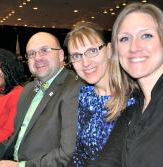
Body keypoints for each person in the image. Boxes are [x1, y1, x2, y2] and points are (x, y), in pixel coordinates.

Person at [89, 2, 163, 167]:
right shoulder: (131, 111)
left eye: (146, 35)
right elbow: (107, 161)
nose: (134, 47)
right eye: (125, 38)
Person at [0, 32, 82, 166]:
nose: (37, 58)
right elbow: (18, 136)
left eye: (44, 51)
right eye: (31, 54)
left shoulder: (75, 88)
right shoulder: (28, 89)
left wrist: (21, 166)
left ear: (60, 55)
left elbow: (68, 154)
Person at [64, 21, 135, 166]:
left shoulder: (134, 99)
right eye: (76, 56)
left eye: (92, 51)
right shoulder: (83, 96)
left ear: (109, 50)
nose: (85, 63)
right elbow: (77, 153)